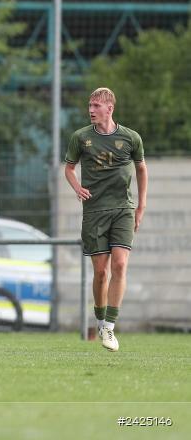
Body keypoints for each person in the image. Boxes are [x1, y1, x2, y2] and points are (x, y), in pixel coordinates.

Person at [64, 87, 146, 352]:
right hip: (94, 212)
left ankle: (109, 328)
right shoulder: (80, 138)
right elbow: (69, 168)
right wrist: (77, 187)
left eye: (96, 106)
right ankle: (100, 321)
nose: (91, 110)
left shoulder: (131, 138)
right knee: (101, 272)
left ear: (110, 108)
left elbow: (141, 169)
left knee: (120, 265)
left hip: (123, 209)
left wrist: (141, 205)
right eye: (90, 105)